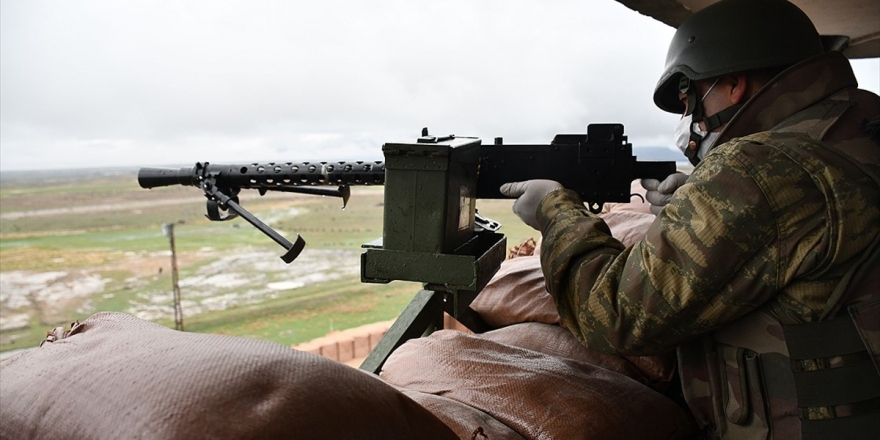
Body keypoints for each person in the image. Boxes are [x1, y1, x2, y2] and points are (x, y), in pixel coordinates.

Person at [499, 0, 880, 438]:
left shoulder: (756, 169)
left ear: (734, 85)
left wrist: (555, 214)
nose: (689, 118)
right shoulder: (858, 122)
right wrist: (700, 200)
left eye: (689, 98)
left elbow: (614, 314)